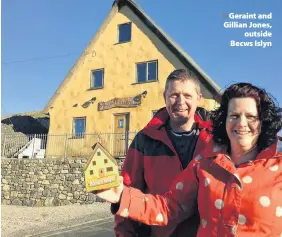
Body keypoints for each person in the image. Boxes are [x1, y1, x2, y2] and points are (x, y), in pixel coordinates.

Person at [98, 83, 282, 237]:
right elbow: (169, 207)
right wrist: (121, 195)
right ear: (223, 121)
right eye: (234, 116)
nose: (242, 123)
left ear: (263, 121)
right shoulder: (205, 163)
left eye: (251, 116)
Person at [112, 69, 214, 237]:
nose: (180, 101)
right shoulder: (145, 140)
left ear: (199, 99)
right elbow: (129, 190)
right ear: (165, 96)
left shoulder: (215, 140)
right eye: (174, 95)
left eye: (187, 96)